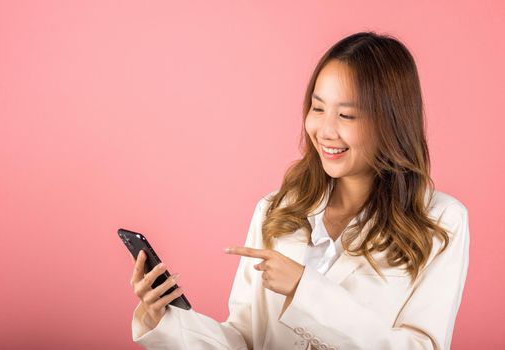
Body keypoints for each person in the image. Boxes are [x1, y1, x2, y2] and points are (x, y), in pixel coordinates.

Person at [129, 31, 470, 350]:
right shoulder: (276, 211)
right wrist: (164, 320)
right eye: (318, 108)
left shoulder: (440, 222)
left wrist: (305, 290)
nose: (324, 130)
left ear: (391, 122)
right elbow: (244, 339)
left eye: (347, 115)